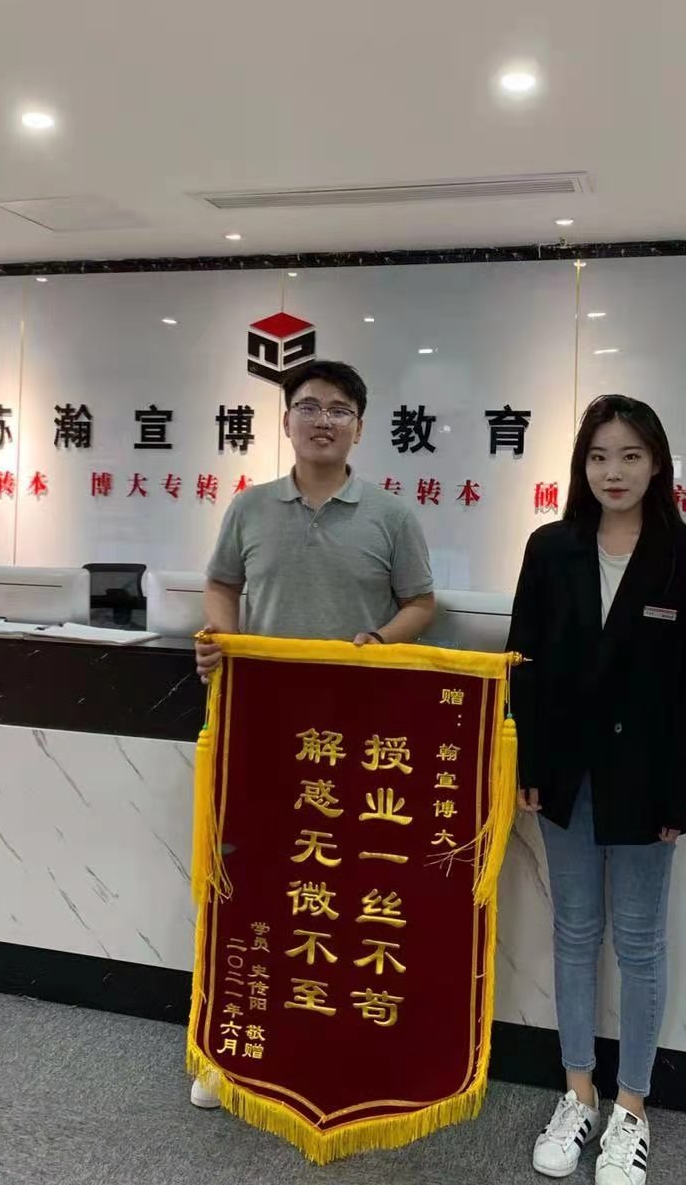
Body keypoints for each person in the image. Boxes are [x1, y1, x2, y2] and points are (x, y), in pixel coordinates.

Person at [191, 358, 436, 1109]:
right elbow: (222, 584)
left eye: (338, 409)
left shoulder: (391, 515)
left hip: (354, 736)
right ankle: (231, 1049)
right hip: (262, 727)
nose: (322, 420)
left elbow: (421, 603)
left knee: (341, 885)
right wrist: (222, 640)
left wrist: (381, 641)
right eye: (308, 406)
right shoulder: (250, 506)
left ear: (359, 426)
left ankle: (330, 1041)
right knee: (254, 881)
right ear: (286, 421)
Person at [507, 395, 686, 1185]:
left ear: (657, 462)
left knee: (638, 943)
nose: (614, 471)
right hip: (566, 775)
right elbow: (523, 660)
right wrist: (529, 765)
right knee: (572, 934)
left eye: (630, 455)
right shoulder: (551, 546)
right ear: (581, 466)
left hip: (646, 783)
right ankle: (578, 1093)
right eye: (599, 456)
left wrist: (683, 796)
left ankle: (631, 1106)